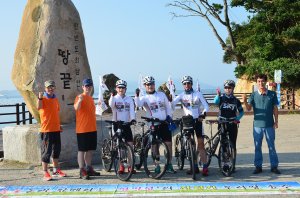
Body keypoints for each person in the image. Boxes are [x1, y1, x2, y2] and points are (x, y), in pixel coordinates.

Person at [135, 76, 176, 174]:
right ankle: (156, 165)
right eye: (148, 84)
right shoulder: (144, 97)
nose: (150, 86)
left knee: (169, 144)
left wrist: (169, 116)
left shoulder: (161, 94)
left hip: (164, 122)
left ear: (154, 84)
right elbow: (139, 104)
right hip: (153, 124)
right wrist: (136, 96)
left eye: (152, 84)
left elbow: (168, 107)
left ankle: (169, 164)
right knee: (155, 145)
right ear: (145, 86)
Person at [172, 75, 210, 176]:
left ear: (191, 84)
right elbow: (171, 104)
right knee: (191, 145)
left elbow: (206, 106)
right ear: (183, 85)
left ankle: (205, 166)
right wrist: (171, 95)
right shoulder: (181, 96)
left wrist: (203, 114)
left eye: (188, 83)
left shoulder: (198, 94)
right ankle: (195, 166)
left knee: (201, 144)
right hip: (187, 122)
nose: (187, 85)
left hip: (197, 120)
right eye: (185, 83)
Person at [243, 74, 281, 174]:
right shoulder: (254, 95)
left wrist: (276, 121)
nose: (261, 83)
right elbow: (248, 109)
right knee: (257, 146)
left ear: (266, 82)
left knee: (271, 146)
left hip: (269, 125)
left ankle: (274, 166)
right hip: (257, 126)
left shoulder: (272, 94)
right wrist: (244, 101)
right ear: (257, 82)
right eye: (259, 81)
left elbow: (275, 109)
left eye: (262, 81)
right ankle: (258, 166)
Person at [37, 80, 66, 181]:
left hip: (56, 129)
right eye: (49, 87)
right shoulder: (43, 98)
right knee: (46, 152)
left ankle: (56, 169)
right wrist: (40, 97)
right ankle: (45, 172)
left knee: (56, 150)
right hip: (47, 130)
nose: (50, 89)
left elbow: (55, 113)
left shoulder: (55, 99)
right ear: (45, 88)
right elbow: (38, 107)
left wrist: (59, 125)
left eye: (52, 87)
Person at [213, 79, 244, 172]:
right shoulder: (221, 98)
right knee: (223, 144)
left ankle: (233, 164)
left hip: (232, 123)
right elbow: (215, 102)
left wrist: (237, 119)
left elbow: (241, 112)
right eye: (226, 88)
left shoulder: (236, 100)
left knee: (232, 144)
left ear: (233, 88)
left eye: (229, 87)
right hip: (222, 122)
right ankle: (225, 163)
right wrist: (218, 95)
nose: (227, 89)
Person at [74, 78, 101, 180]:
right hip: (82, 129)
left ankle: (89, 168)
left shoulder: (90, 98)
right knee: (81, 150)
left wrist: (99, 106)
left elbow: (91, 113)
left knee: (90, 150)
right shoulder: (79, 96)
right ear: (82, 87)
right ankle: (82, 170)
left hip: (92, 128)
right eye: (86, 86)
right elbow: (76, 108)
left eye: (89, 86)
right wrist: (80, 101)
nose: (88, 88)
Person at [108, 79, 136, 174]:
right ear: (116, 88)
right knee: (119, 146)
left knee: (130, 145)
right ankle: (121, 166)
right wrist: (111, 95)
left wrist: (133, 119)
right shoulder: (114, 98)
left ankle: (130, 166)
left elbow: (132, 110)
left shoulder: (129, 99)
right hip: (117, 124)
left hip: (126, 124)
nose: (121, 89)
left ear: (126, 89)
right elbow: (111, 105)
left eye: (123, 88)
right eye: (119, 87)